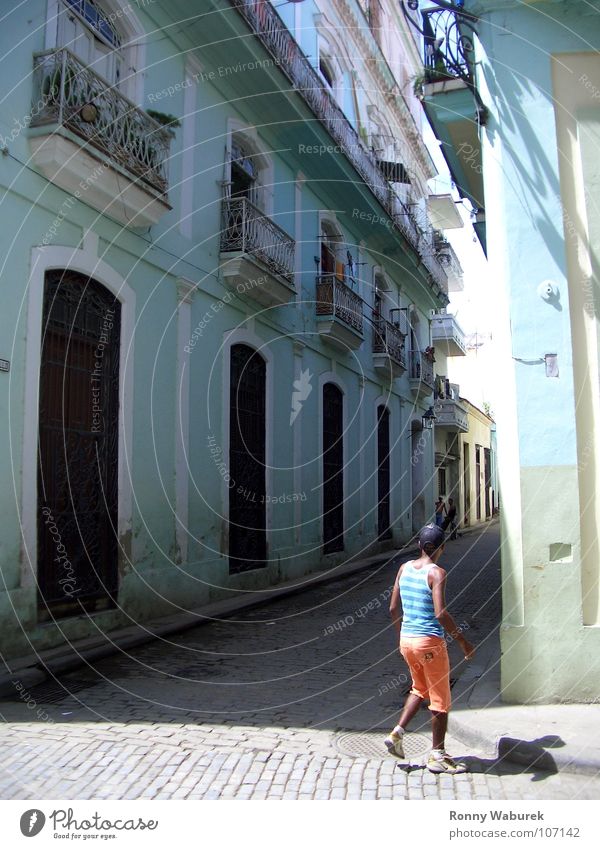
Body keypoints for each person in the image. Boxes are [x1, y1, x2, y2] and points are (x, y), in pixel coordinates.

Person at [384, 524, 475, 773]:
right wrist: (464, 642)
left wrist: (401, 635)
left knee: (419, 688)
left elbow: (393, 609)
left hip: (407, 640)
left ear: (419, 546)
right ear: (442, 548)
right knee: (440, 698)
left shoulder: (403, 569)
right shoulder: (437, 573)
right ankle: (438, 756)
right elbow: (440, 613)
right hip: (429, 642)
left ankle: (396, 733)